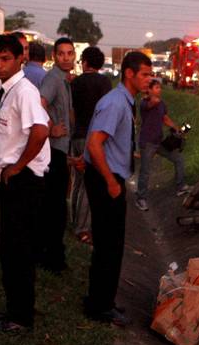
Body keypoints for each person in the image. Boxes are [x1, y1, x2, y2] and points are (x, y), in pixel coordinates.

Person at [83, 51, 153, 326]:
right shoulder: (115, 103)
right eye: (145, 74)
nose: (149, 79)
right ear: (129, 74)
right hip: (106, 179)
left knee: (109, 244)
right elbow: (94, 144)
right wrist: (111, 182)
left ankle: (102, 300)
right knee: (108, 245)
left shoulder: (124, 101)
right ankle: (99, 306)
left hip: (108, 175)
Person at [0, 33, 51, 332]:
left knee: (19, 251)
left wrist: (17, 167)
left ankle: (20, 318)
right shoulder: (6, 89)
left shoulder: (23, 91)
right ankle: (14, 311)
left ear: (19, 59)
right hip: (10, 179)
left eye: (5, 59)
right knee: (9, 250)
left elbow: (41, 131)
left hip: (23, 182)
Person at [37, 37, 76, 273]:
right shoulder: (53, 79)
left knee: (55, 206)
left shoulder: (64, 79)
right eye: (61, 53)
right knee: (55, 207)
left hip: (61, 149)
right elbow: (39, 102)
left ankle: (51, 254)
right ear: (54, 56)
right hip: (53, 150)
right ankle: (52, 259)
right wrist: (51, 128)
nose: (66, 57)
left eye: (69, 53)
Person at [70, 46, 113, 243]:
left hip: (76, 135)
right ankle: (82, 229)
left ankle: (74, 221)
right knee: (90, 185)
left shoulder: (75, 82)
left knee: (78, 183)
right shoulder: (104, 83)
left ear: (85, 62)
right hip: (94, 138)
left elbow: (71, 110)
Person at [136, 78, 189, 211]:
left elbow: (165, 118)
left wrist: (177, 129)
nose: (159, 90)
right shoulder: (144, 102)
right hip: (147, 142)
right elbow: (150, 105)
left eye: (160, 88)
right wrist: (150, 96)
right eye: (156, 88)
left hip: (159, 141)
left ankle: (181, 186)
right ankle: (141, 199)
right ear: (149, 90)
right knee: (145, 171)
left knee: (178, 159)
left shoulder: (161, 104)